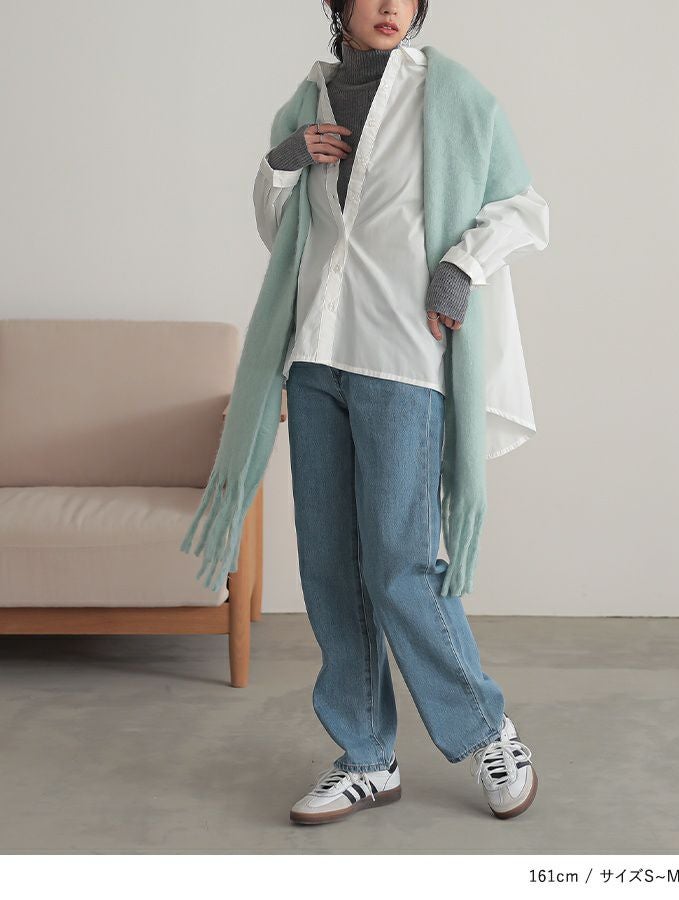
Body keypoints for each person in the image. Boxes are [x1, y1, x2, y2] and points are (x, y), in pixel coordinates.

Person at [253, 0, 550, 825]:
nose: (390, 5)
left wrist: (463, 266)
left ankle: (487, 728)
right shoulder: (309, 100)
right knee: (329, 567)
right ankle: (366, 757)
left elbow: (524, 206)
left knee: (400, 563)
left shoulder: (448, 94)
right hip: (317, 355)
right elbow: (285, 238)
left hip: (401, 359)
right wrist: (281, 164)